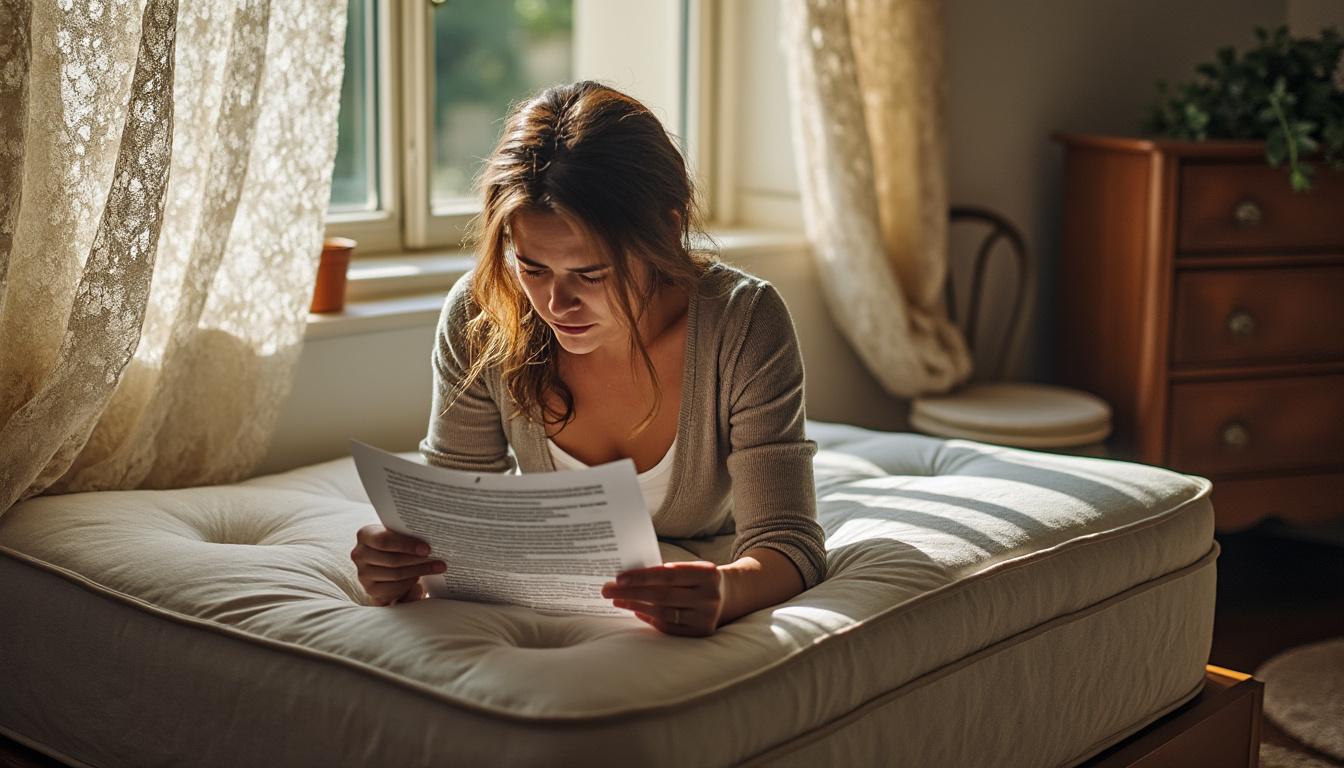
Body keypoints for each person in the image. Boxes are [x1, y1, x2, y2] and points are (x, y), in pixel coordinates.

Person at [349, 81, 826, 637]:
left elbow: (789, 540)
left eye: (590, 273)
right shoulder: (483, 315)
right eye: (533, 268)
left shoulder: (744, 323)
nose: (556, 305)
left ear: (666, 233)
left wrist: (728, 588)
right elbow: (457, 510)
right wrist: (403, 565)